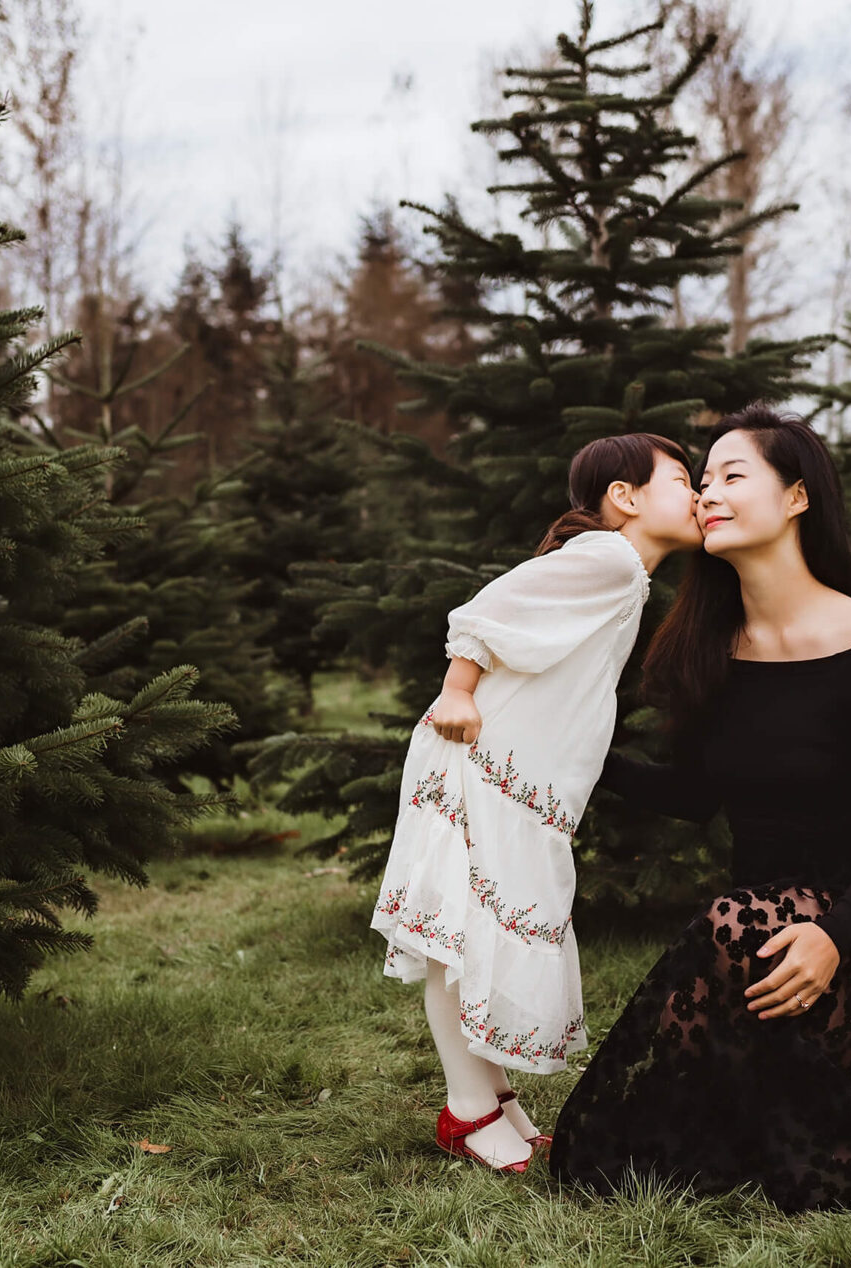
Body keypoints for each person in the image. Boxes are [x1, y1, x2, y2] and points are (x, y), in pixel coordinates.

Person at [549, 404, 851, 1210]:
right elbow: (691, 796)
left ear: (796, 497)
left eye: (732, 475)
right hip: (762, 907)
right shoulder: (706, 643)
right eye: (702, 481)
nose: (709, 493)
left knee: (735, 932)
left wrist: (831, 936)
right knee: (622, 1137)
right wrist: (573, 753)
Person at [372, 432, 701, 1174]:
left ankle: (495, 1099)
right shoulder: (610, 557)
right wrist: (457, 689)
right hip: (481, 763)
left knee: (482, 935)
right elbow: (487, 610)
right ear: (626, 497)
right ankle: (465, 1111)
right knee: (460, 944)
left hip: (518, 779)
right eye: (684, 480)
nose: (700, 494)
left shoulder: (626, 574)